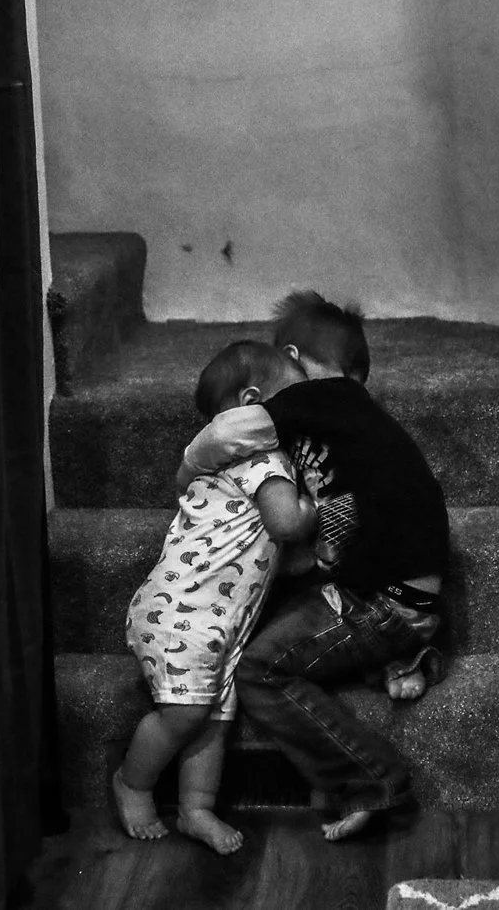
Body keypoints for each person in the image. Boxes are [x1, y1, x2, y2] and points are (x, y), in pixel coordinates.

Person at [177, 290, 449, 840]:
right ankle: (403, 658)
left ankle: (373, 778)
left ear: (296, 360)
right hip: (394, 594)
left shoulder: (328, 398)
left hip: (385, 603)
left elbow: (231, 430)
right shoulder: (346, 426)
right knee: (281, 607)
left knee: (259, 669)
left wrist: (187, 469)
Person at [113, 340, 318, 854]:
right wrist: (320, 503)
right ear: (254, 405)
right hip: (183, 613)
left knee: (212, 718)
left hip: (218, 621)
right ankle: (132, 783)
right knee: (184, 715)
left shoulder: (223, 469)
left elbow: (271, 551)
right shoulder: (261, 461)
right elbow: (287, 523)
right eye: (293, 403)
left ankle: (195, 810)